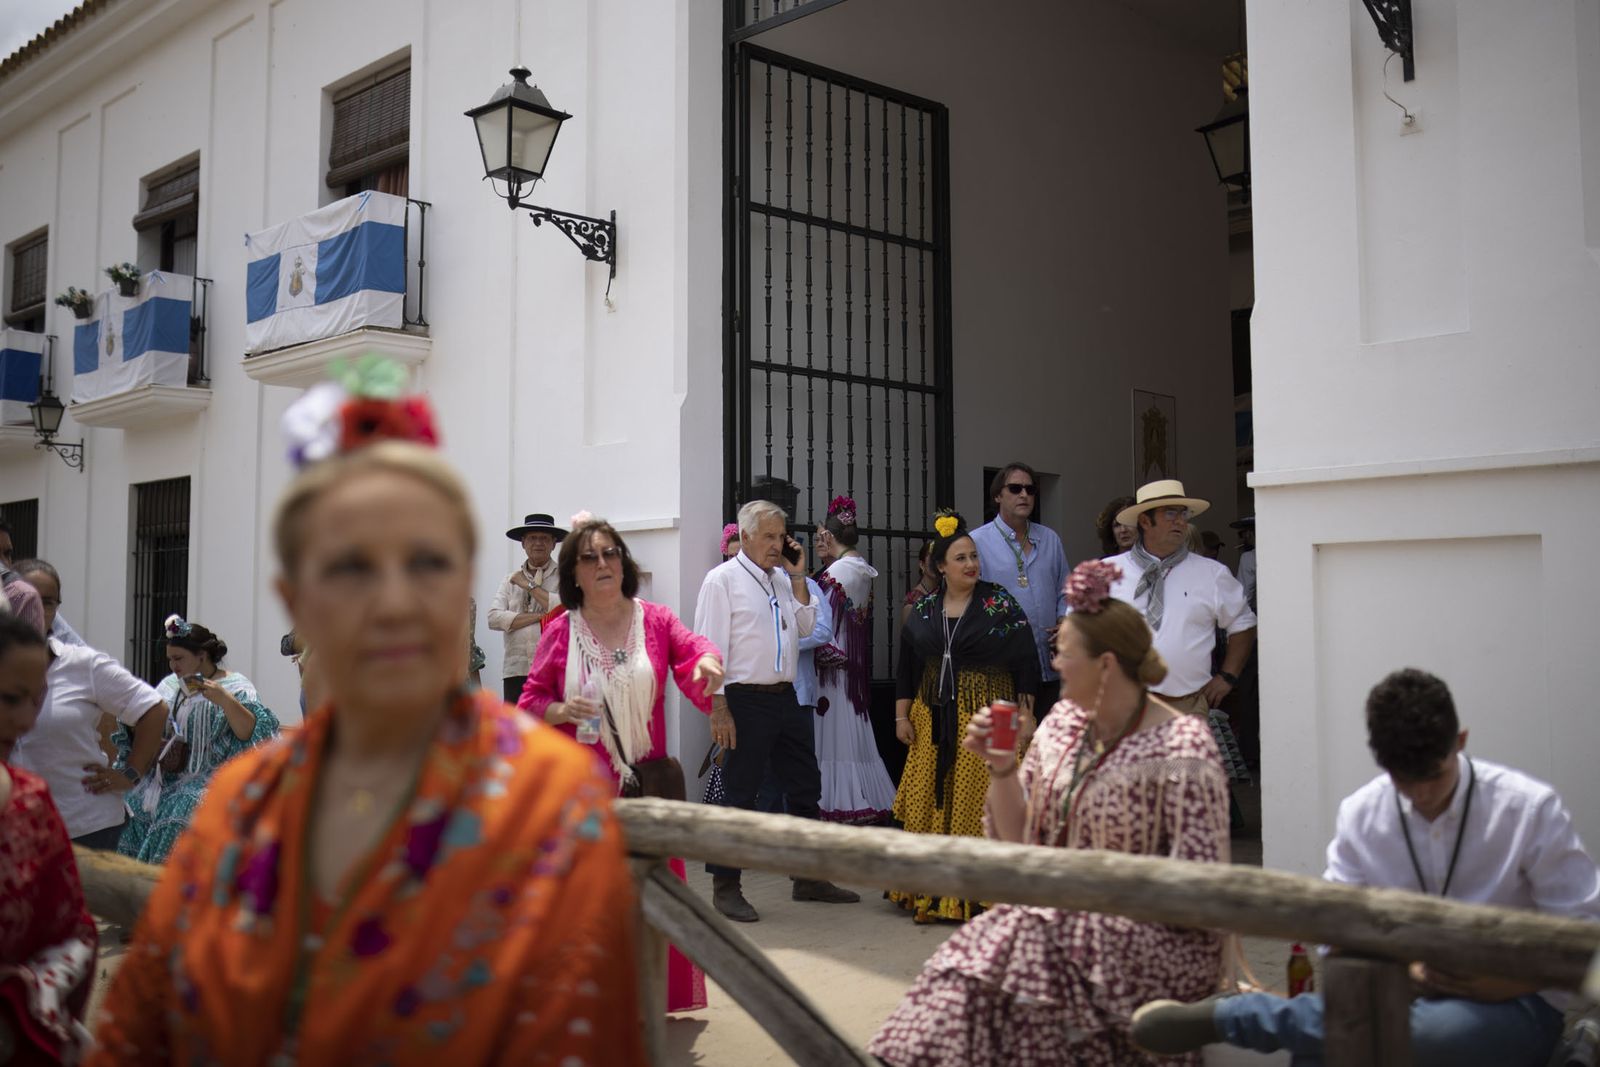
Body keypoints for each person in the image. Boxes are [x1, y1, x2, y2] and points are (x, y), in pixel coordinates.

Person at [86, 362, 645, 1065]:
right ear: (298, 600)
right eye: (351, 567)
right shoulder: (242, 810)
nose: (392, 602)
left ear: (461, 589)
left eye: (424, 562)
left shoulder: (550, 803)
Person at [1132, 668, 1600, 1067]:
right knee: (1331, 1051)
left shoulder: (1527, 808)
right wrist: (1407, 971)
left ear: (1460, 742)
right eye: (1404, 780)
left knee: (1430, 1035)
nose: (1421, 795)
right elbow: (1334, 930)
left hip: (1515, 999)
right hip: (1399, 989)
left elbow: (1583, 930)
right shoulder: (1363, 812)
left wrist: (1508, 981)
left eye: (1434, 776)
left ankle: (1239, 1017)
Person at [872, 560, 1229, 1064]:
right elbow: (1014, 841)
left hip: (1149, 941)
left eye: (1065, 653)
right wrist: (1000, 769)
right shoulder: (1060, 723)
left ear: (1106, 665)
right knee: (966, 968)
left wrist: (1085, 910)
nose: (1054, 664)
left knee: (1018, 974)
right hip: (1054, 926)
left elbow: (1201, 886)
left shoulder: (1182, 747)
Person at [520, 512, 723, 1014]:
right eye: (589, 558)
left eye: (610, 553)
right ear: (574, 573)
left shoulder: (656, 620)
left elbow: (692, 649)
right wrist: (561, 710)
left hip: (644, 791)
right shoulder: (560, 631)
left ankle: (647, 999)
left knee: (651, 898)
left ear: (623, 561)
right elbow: (530, 700)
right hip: (584, 797)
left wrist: (706, 663)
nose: (602, 564)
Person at [693, 499, 859, 923]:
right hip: (743, 699)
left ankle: (808, 877)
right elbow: (707, 649)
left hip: (786, 697)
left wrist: (799, 576)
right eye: (768, 536)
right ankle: (725, 886)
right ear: (746, 536)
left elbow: (806, 627)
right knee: (739, 793)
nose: (776, 544)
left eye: (781, 536)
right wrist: (717, 708)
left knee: (805, 786)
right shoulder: (722, 581)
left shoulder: (782, 579)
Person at [891, 512, 1039, 922]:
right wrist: (901, 717)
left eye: (973, 556)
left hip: (989, 717)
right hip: (932, 719)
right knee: (933, 803)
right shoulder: (924, 610)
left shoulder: (999, 603)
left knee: (984, 803)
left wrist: (1027, 716)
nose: (971, 564)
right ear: (940, 566)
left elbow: (1026, 660)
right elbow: (907, 667)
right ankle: (933, 890)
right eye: (961, 558)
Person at [10, 561, 168, 850]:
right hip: (15, 832)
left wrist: (130, 774)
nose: (38, 610)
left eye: (48, 602)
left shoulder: (83, 665)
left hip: (85, 829)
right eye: (29, 599)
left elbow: (153, 708)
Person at [1, 611, 98, 1066]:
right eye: (9, 699)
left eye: (36, 699)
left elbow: (72, 931)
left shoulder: (31, 804)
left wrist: (22, 998)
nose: (26, 720)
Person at [115, 615, 279, 864]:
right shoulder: (169, 685)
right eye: (170, 659)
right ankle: (128, 879)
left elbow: (252, 735)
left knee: (184, 807)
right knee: (130, 804)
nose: (173, 665)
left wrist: (224, 700)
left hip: (210, 778)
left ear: (201, 656)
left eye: (178, 658)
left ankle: (165, 880)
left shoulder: (236, 687)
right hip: (165, 778)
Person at [1102, 480, 1256, 717]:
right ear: (1145, 521)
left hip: (1186, 706)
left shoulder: (1211, 573)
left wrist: (1227, 677)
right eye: (1170, 513)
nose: (1181, 521)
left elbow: (1243, 624)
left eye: (1184, 514)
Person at [812, 495, 895, 824]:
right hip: (850, 663)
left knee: (834, 730)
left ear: (829, 536)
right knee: (850, 727)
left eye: (821, 536)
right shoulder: (860, 568)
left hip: (833, 665)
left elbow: (823, 620)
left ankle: (837, 798)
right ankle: (863, 793)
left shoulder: (838, 572)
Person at [970, 462, 1069, 711]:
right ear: (997, 495)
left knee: (1050, 735)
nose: (1024, 495)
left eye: (1030, 489)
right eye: (1015, 488)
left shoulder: (1050, 539)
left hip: (1051, 666)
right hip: (1004, 670)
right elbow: (970, 601)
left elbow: (1066, 591)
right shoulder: (977, 542)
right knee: (1010, 736)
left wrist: (1064, 621)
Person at [487, 512, 565, 705]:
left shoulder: (565, 576)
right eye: (532, 538)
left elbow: (564, 609)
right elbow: (494, 618)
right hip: (516, 668)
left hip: (553, 667)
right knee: (515, 722)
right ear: (523, 543)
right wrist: (540, 616)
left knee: (550, 722)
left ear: (553, 543)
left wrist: (527, 585)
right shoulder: (510, 579)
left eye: (544, 538)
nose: (538, 543)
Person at [901, 539, 937, 629]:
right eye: (931, 559)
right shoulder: (912, 602)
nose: (935, 564)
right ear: (922, 565)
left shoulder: (945, 593)